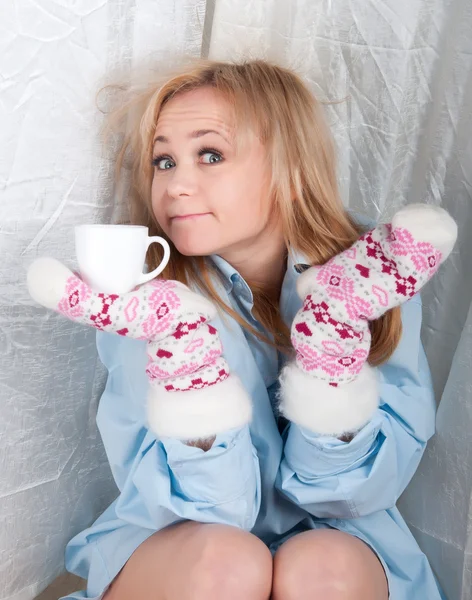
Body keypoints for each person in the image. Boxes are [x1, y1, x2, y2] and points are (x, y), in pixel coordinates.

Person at [55, 59, 455, 599]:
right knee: (227, 563)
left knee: (322, 569)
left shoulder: (369, 273)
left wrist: (329, 369)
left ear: (288, 169)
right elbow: (206, 508)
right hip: (184, 534)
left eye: (210, 155)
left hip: (338, 532)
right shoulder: (147, 299)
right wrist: (191, 377)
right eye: (164, 161)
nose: (176, 184)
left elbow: (353, 493)